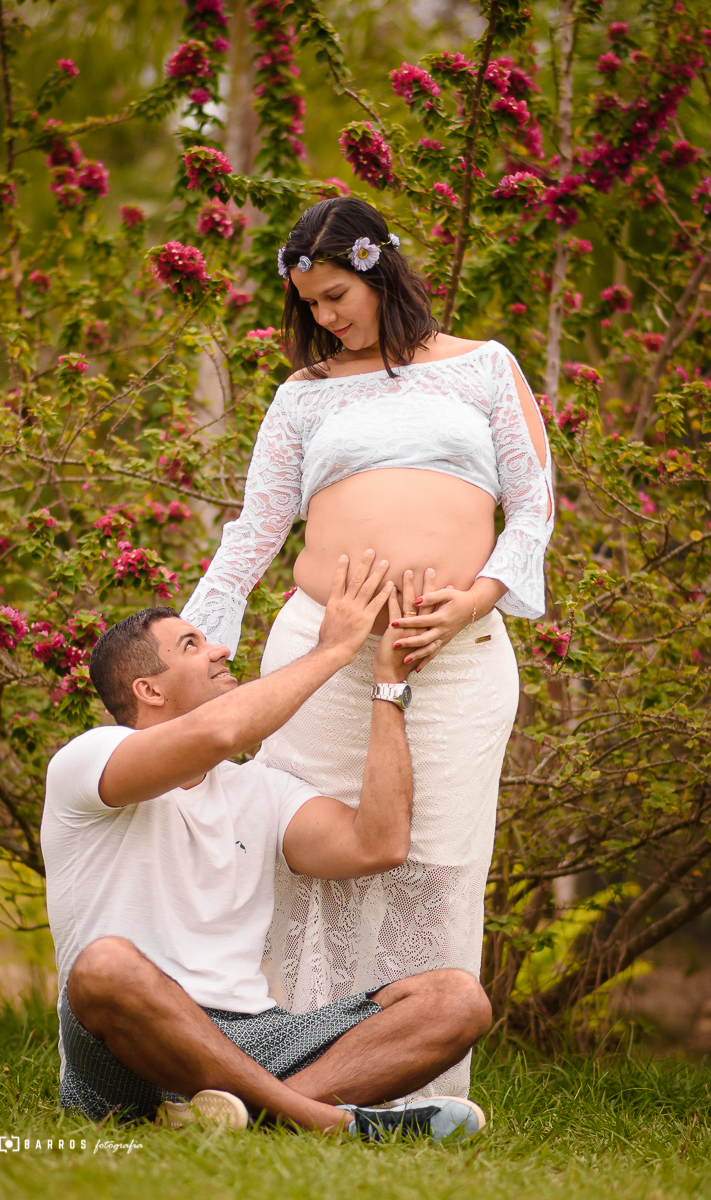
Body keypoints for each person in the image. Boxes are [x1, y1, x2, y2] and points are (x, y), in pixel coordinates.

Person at [181, 195, 553, 1101]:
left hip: (458, 657)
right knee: (310, 853)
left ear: (380, 270)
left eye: (336, 294)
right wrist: (193, 651)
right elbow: (254, 531)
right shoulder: (303, 397)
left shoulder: (483, 367)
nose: (325, 316)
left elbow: (534, 508)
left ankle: (410, 1085)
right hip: (321, 656)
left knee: (437, 859)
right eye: (309, 303)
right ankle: (292, 1068)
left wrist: (471, 603)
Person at [41, 553, 492, 1137]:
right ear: (147, 688)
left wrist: (388, 688)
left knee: (457, 1000)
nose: (220, 650)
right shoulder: (89, 759)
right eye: (191, 645)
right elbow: (221, 731)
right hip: (131, 1042)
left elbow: (377, 844)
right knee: (104, 966)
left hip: (257, 1033)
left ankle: (236, 1117)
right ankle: (322, 1120)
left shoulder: (260, 789)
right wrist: (332, 651)